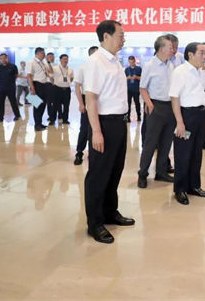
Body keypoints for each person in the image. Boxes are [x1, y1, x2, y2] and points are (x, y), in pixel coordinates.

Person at [84, 20, 134, 243]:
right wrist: (96, 131)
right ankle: (95, 223)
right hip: (103, 124)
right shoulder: (96, 62)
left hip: (119, 123)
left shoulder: (115, 61)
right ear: (106, 36)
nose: (123, 39)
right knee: (98, 175)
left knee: (114, 171)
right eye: (120, 35)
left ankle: (110, 212)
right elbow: (91, 99)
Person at [169, 42, 205, 205]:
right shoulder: (180, 72)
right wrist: (180, 123)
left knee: (196, 153)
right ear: (190, 55)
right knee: (183, 153)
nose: (204, 56)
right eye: (201, 53)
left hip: (200, 115)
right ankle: (180, 189)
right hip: (186, 117)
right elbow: (174, 97)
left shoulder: (197, 70)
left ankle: (194, 186)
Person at [137, 35, 175, 188]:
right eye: (170, 47)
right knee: (150, 143)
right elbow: (143, 87)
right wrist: (150, 104)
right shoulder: (150, 65)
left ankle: (161, 172)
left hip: (170, 107)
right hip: (156, 106)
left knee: (166, 142)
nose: (172, 50)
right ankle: (142, 174)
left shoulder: (170, 65)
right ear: (161, 48)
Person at [73, 46, 98, 165]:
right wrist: (81, 104)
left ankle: (93, 152)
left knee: (96, 127)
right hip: (87, 98)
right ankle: (79, 152)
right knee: (84, 127)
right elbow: (77, 86)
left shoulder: (101, 68)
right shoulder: (83, 68)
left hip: (99, 100)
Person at [27, 47, 49, 132]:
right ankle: (37, 125)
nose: (44, 55)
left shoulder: (43, 63)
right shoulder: (32, 62)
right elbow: (29, 76)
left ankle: (40, 123)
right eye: (42, 53)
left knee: (43, 105)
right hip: (36, 85)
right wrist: (32, 88)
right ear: (37, 53)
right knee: (37, 106)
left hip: (44, 85)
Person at [0, 53, 21, 123]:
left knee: (13, 102)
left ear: (7, 58)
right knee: (1, 103)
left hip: (11, 88)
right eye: (1, 58)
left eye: (4, 58)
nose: (3, 60)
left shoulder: (13, 66)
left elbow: (16, 75)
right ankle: (0, 117)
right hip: (1, 88)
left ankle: (17, 115)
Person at [53, 54, 74, 125]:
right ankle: (55, 118)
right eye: (64, 59)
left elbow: (72, 78)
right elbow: (51, 76)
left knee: (66, 105)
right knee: (56, 105)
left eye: (67, 59)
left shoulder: (70, 69)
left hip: (67, 89)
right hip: (57, 89)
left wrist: (67, 82)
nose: (66, 60)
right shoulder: (55, 68)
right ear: (60, 60)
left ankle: (65, 119)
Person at [125, 55, 142, 121]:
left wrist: (137, 77)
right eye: (130, 62)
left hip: (136, 89)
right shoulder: (126, 69)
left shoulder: (139, 69)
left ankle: (139, 116)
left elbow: (142, 78)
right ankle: (128, 117)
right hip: (128, 89)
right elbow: (124, 79)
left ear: (134, 61)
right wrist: (128, 78)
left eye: (132, 62)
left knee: (137, 103)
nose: (131, 63)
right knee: (128, 104)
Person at [45, 52, 56, 125]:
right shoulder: (44, 64)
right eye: (50, 57)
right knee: (48, 102)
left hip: (54, 85)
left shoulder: (56, 65)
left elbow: (52, 73)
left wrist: (49, 74)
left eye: (52, 57)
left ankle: (53, 118)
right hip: (46, 85)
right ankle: (50, 116)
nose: (51, 58)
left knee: (54, 102)